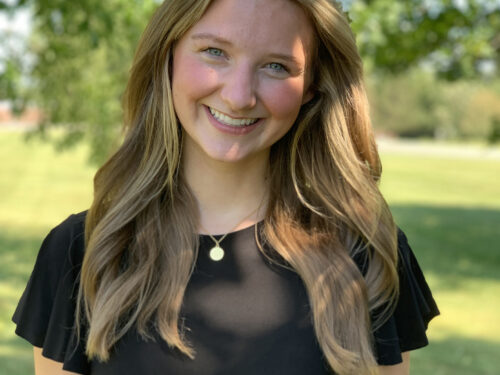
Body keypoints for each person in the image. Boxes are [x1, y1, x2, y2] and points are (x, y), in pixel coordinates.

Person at [12, 0, 439, 374]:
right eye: (215, 52)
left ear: (311, 87)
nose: (238, 96)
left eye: (276, 66)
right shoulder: (84, 252)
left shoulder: (366, 256)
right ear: (169, 57)